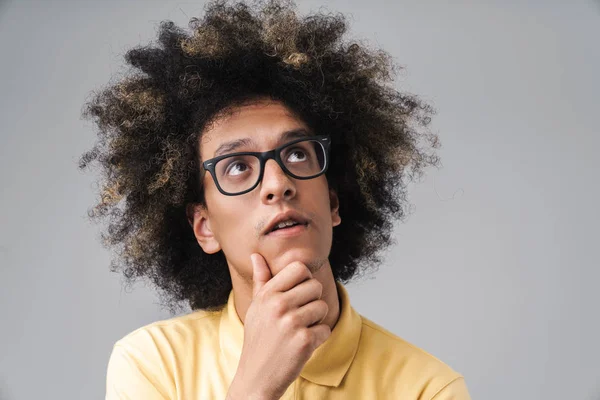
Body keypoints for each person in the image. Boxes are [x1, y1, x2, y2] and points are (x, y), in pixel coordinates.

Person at [80, 0, 471, 398]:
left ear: (333, 204)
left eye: (297, 153)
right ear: (205, 227)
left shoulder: (428, 388)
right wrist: (256, 383)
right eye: (237, 166)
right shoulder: (153, 364)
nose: (278, 184)